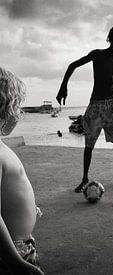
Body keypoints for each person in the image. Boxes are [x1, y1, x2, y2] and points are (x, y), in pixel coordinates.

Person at [56, 25, 113, 192]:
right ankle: (84, 178)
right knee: (89, 144)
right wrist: (63, 87)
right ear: (110, 39)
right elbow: (72, 66)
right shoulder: (97, 54)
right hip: (96, 104)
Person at [0, 67, 44, 274]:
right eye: (18, 108)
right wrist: (15, 263)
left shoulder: (2, 147)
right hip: (10, 253)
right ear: (4, 110)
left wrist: (25, 207)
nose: (20, 114)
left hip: (21, 245)